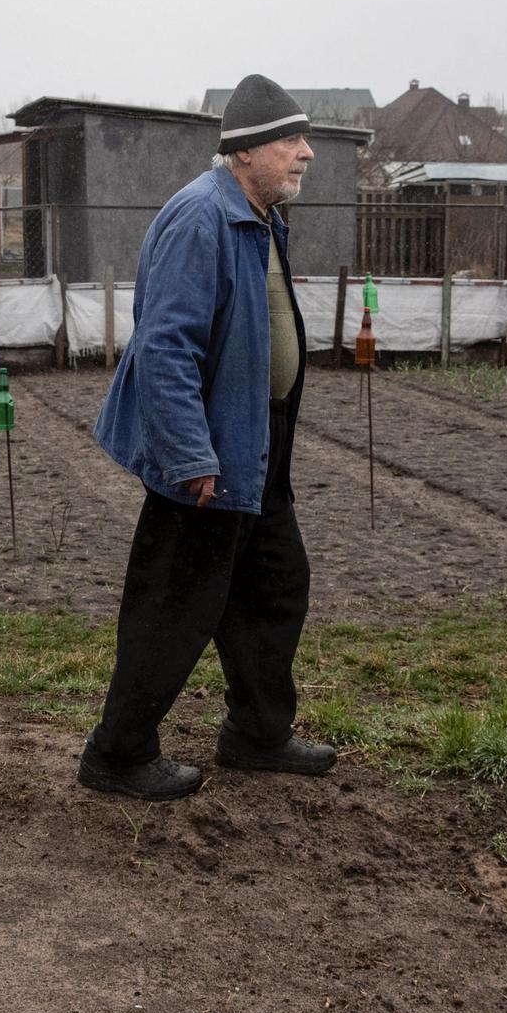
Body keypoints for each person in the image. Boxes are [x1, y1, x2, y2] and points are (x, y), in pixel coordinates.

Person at [80, 73, 339, 801]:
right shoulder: (202, 219)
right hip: (209, 452)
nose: (306, 153)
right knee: (173, 604)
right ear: (248, 149)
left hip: (256, 443)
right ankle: (118, 752)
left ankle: (258, 733)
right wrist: (191, 454)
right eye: (292, 140)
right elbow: (166, 349)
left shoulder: (256, 214)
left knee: (275, 586)